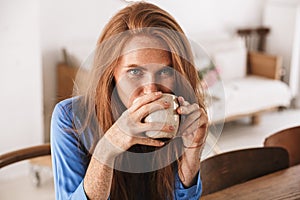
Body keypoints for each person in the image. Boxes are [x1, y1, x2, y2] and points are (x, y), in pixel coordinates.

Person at [51, 2, 208, 200]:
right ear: (111, 73)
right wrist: (107, 149)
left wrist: (192, 154)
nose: (151, 89)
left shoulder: (181, 113)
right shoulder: (71, 118)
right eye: (135, 72)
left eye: (165, 71)